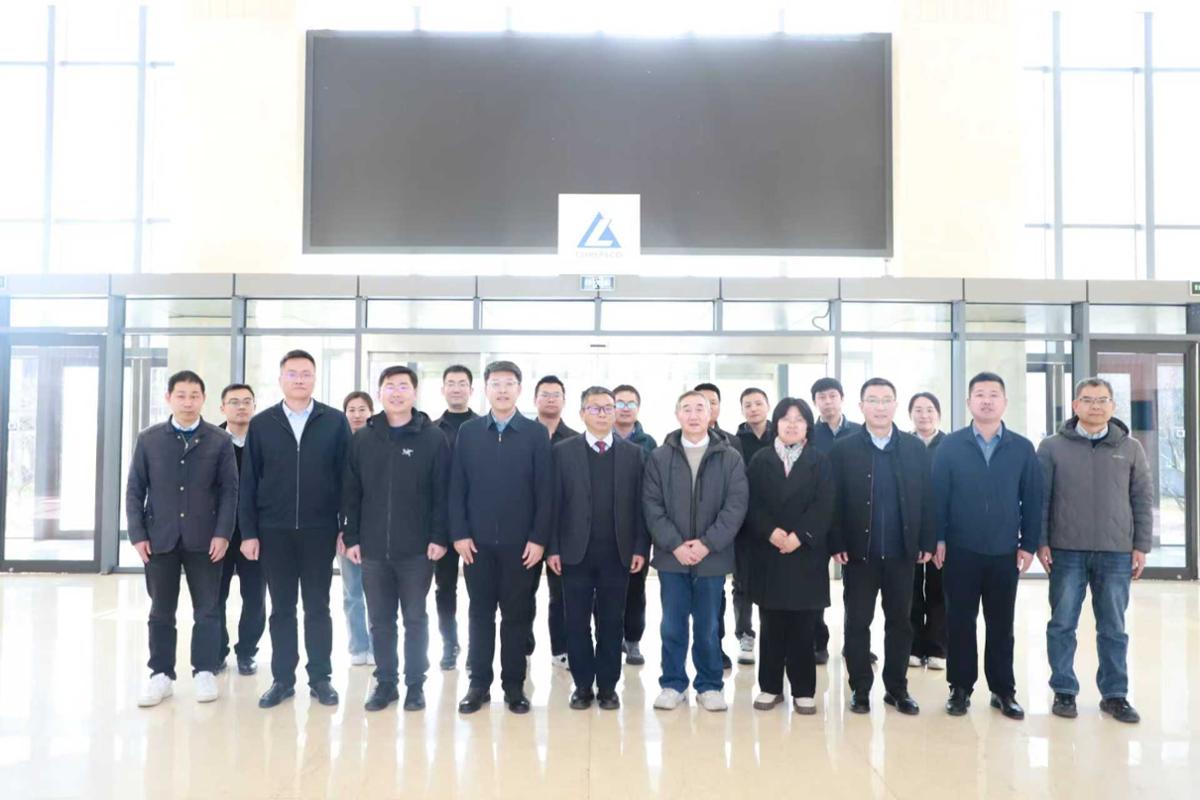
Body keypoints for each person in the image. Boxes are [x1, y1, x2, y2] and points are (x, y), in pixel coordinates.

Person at [239, 350, 352, 709]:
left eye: (306, 373)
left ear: (315, 378)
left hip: (320, 529)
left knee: (318, 606)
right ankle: (282, 680)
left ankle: (320, 678)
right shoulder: (263, 423)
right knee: (282, 608)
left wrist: (345, 526)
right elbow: (248, 481)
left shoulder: (334, 421)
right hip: (274, 530)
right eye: (292, 373)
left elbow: (347, 479)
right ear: (281, 379)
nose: (299, 379)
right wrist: (249, 532)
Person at [1037, 377, 1152, 724]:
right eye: (1087, 400)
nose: (1095, 406)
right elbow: (1041, 499)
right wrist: (1041, 541)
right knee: (1062, 624)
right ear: (1075, 406)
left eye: (1102, 400)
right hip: (1065, 550)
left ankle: (1115, 695)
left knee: (1114, 628)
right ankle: (1064, 690)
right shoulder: (1051, 447)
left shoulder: (1130, 448)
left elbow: (1142, 498)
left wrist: (1141, 546)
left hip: (1115, 552)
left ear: (1113, 406)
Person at [933, 372, 1043, 720]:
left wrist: (1028, 544)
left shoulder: (1022, 448)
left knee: (1001, 624)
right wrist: (938, 538)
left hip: (1004, 551)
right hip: (960, 549)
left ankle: (1003, 690)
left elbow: (1033, 498)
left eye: (994, 394)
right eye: (979, 394)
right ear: (969, 402)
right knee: (959, 621)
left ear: (1004, 403)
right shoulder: (951, 445)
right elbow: (938, 496)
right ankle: (960, 687)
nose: (986, 400)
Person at [342, 366, 451, 712]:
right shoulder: (364, 438)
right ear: (380, 393)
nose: (397, 392)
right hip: (372, 549)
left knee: (415, 618)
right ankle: (386, 682)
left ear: (415, 393)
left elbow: (442, 492)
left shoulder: (433, 438)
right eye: (390, 386)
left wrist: (439, 536)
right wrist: (352, 537)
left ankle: (415, 684)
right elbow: (351, 492)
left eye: (404, 386)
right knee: (380, 620)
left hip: (417, 550)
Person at [127, 370, 238, 706]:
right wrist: (137, 534)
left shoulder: (219, 440)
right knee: (161, 610)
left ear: (203, 399)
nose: (188, 402)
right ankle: (160, 675)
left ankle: (204, 671)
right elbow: (135, 489)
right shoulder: (149, 439)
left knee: (208, 609)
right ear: (168, 398)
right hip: (159, 538)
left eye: (194, 395)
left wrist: (223, 533)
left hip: (206, 539)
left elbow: (230, 491)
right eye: (181, 395)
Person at [451, 361, 553, 715]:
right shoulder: (469, 432)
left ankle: (513, 686)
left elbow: (546, 491)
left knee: (516, 617)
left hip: (521, 546)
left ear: (519, 389)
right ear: (486, 389)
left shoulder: (535, 433)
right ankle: (478, 685)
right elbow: (457, 485)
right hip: (476, 545)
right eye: (496, 383)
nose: (503, 390)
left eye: (510, 383)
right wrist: (459, 533)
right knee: (479, 615)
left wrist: (539, 539)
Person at [829, 378, 935, 716]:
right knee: (857, 622)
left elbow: (928, 498)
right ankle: (860, 688)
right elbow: (833, 501)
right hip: (859, 554)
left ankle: (896, 688)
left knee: (900, 623)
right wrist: (837, 541)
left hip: (902, 553)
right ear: (861, 406)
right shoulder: (843, 449)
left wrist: (926, 540)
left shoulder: (914, 448)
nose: (879, 406)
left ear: (895, 405)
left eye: (886, 400)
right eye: (872, 400)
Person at [644, 390, 748, 712]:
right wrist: (675, 545)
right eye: (686, 409)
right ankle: (673, 684)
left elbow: (735, 506)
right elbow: (651, 505)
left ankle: (710, 685)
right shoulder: (659, 457)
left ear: (710, 414)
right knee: (672, 625)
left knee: (708, 626)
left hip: (712, 558)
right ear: (677, 415)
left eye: (699, 408)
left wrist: (706, 544)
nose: (693, 415)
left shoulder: (729, 457)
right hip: (671, 557)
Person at [547, 386, 648, 711]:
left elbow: (641, 506)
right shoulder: (562, 452)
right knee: (576, 622)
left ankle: (607, 687)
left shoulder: (634, 454)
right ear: (582, 414)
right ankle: (582, 686)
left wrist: (640, 547)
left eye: (608, 407)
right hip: (573, 553)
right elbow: (553, 504)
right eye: (595, 408)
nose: (603, 413)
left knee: (611, 623)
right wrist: (552, 548)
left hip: (617, 553)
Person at [744, 398, 833, 715]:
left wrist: (799, 536)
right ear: (776, 423)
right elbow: (750, 503)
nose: (792, 424)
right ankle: (770, 687)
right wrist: (770, 532)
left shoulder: (820, 461)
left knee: (803, 626)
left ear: (808, 425)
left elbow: (825, 505)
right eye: (785, 418)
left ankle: (804, 690)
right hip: (769, 551)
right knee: (770, 625)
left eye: (799, 419)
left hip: (806, 553)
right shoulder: (760, 460)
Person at [807, 376, 864, 664]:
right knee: (815, 583)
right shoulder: (809, 434)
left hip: (852, 517)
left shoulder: (860, 432)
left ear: (842, 398)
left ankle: (856, 643)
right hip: (817, 517)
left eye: (832, 396)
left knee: (857, 588)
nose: (827, 402)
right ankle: (818, 642)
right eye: (821, 397)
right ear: (815, 402)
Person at [693, 382, 745, 670]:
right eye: (699, 402)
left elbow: (736, 493)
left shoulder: (731, 443)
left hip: (719, 534)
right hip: (685, 536)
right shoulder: (673, 441)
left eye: (711, 402)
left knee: (717, 597)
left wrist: (717, 535)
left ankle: (717, 646)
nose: (706, 408)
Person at [216, 383, 267, 676]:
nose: (241, 407)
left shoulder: (264, 440)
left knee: (255, 597)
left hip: (256, 534)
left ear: (254, 406)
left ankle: (247, 651)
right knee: (215, 596)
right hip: (218, 533)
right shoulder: (211, 440)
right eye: (234, 402)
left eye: (247, 401)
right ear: (222, 407)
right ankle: (217, 650)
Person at [530, 375, 578, 669]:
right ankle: (523, 649)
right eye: (544, 394)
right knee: (522, 594)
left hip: (562, 529)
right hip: (526, 529)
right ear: (534, 399)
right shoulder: (522, 434)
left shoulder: (574, 439)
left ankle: (561, 649)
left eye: (555, 394)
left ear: (564, 400)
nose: (550, 399)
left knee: (561, 594)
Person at [433, 364, 479, 671]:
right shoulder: (431, 429)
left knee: (479, 591)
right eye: (451, 383)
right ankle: (449, 644)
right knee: (444, 587)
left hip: (476, 523)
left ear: (471, 390)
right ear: (443, 389)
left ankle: (477, 647)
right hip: (442, 522)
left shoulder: (484, 426)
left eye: (462, 383)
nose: (457, 388)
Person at [729, 386, 774, 665]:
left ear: (768, 406)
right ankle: (745, 634)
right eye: (748, 405)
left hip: (775, 521)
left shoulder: (780, 436)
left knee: (774, 581)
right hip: (743, 521)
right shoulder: (735, 441)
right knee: (742, 582)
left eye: (758, 403)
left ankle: (773, 633)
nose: (753, 408)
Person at [613, 383, 657, 666]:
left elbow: (652, 489)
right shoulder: (598, 437)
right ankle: (609, 637)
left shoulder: (648, 443)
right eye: (620, 403)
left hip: (635, 527)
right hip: (603, 528)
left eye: (631, 403)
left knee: (634, 589)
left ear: (638, 408)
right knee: (604, 589)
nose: (625, 408)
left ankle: (633, 640)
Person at [908, 391, 947, 670]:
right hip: (909, 530)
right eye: (918, 410)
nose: (924, 415)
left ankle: (937, 648)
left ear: (938, 414)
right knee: (909, 591)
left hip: (942, 532)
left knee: (939, 590)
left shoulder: (950, 445)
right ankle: (912, 646)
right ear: (910, 414)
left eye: (930, 409)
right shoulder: (903, 445)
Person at [336, 391, 374, 667]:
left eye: (362, 409)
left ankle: (377, 645)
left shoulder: (377, 443)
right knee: (352, 591)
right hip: (345, 531)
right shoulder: (338, 446)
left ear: (371, 412)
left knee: (377, 592)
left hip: (374, 529)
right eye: (352, 409)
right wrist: (341, 529)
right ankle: (358, 646)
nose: (357, 414)